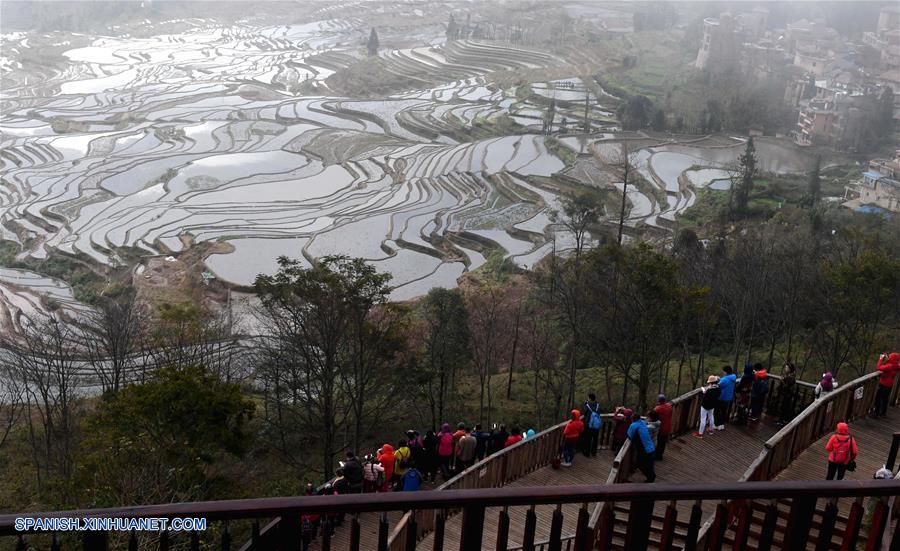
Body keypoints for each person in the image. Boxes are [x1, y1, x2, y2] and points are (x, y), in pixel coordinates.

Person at [626, 414, 656, 482]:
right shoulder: (642, 422)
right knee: (649, 464)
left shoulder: (633, 425)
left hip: (644, 449)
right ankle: (651, 477)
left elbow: (629, 435)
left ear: (632, 419)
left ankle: (651, 477)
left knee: (640, 464)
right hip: (651, 447)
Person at [874, 352, 899, 418]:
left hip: (883, 385)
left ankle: (876, 413)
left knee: (878, 399)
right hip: (890, 385)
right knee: (885, 399)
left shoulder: (889, 366)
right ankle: (883, 413)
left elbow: (879, 367)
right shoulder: (896, 366)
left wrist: (881, 359)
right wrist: (886, 358)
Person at [581, 393, 603, 457]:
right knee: (595, 439)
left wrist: (585, 404)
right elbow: (600, 411)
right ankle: (594, 452)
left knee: (588, 439)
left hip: (589, 425)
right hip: (596, 425)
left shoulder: (587, 405)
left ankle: (587, 453)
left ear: (590, 398)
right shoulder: (598, 405)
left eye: (588, 398)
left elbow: (584, 412)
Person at [715, 366, 737, 430]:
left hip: (721, 397)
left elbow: (718, 386)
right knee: (724, 411)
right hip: (728, 397)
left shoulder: (724, 379)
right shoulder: (733, 377)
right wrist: (720, 379)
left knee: (717, 411)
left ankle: (717, 425)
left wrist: (717, 380)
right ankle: (722, 424)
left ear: (725, 372)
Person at [777, 362, 798, 426]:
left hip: (788, 395)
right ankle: (781, 420)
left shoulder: (791, 377)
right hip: (786, 394)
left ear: (790, 369)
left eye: (787, 368)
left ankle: (782, 421)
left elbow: (787, 386)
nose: (785, 369)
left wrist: (782, 380)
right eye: (785, 367)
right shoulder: (788, 375)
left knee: (785, 407)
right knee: (783, 407)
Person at [653, 394, 673, 460]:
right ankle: (660, 455)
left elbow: (653, 418)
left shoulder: (657, 409)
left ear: (658, 400)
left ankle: (657, 456)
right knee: (663, 442)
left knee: (658, 442)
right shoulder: (669, 406)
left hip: (661, 428)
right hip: (668, 427)